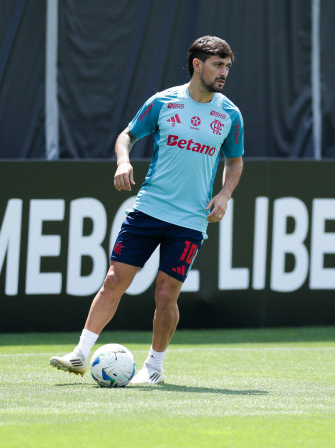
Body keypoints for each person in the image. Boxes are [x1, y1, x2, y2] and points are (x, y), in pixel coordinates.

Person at [50, 36, 244, 384]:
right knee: (113, 280)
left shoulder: (229, 114)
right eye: (218, 65)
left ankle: (154, 368)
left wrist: (225, 194)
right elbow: (127, 134)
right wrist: (123, 161)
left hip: (189, 220)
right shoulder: (163, 102)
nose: (224, 72)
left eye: (227, 66)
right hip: (149, 210)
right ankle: (80, 354)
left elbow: (235, 160)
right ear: (197, 65)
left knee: (166, 292)